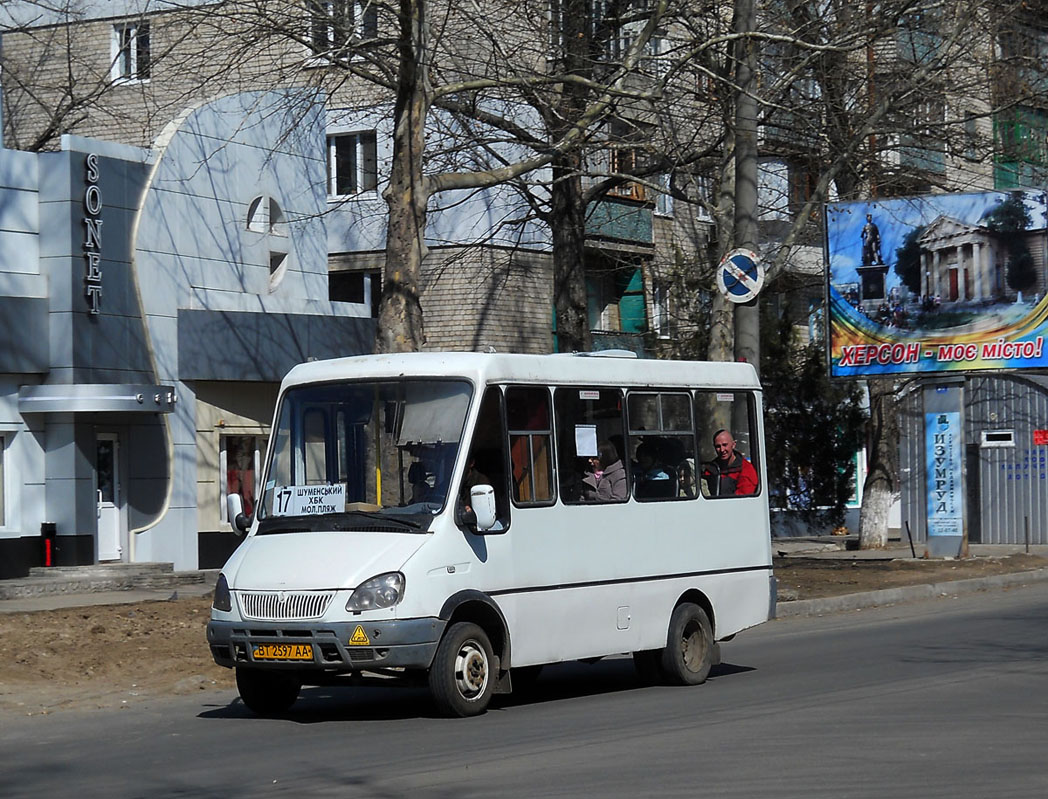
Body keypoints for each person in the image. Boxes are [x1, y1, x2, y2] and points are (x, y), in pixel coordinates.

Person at [701, 429, 758, 497]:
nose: (722, 450)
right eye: (718, 446)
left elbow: (742, 499)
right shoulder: (711, 469)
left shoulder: (746, 469)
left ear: (733, 445)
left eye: (725, 445)